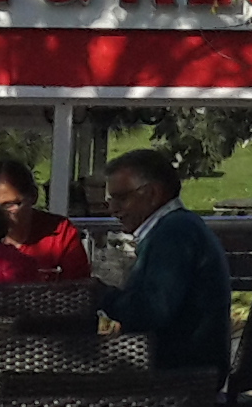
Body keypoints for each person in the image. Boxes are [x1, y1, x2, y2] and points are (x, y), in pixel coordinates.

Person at [97, 150, 232, 376]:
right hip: (194, 368)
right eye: (111, 200)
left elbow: (151, 312)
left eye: (121, 198)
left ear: (153, 193)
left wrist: (101, 295)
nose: (113, 209)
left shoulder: (174, 234)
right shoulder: (181, 226)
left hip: (180, 374)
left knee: (66, 378)